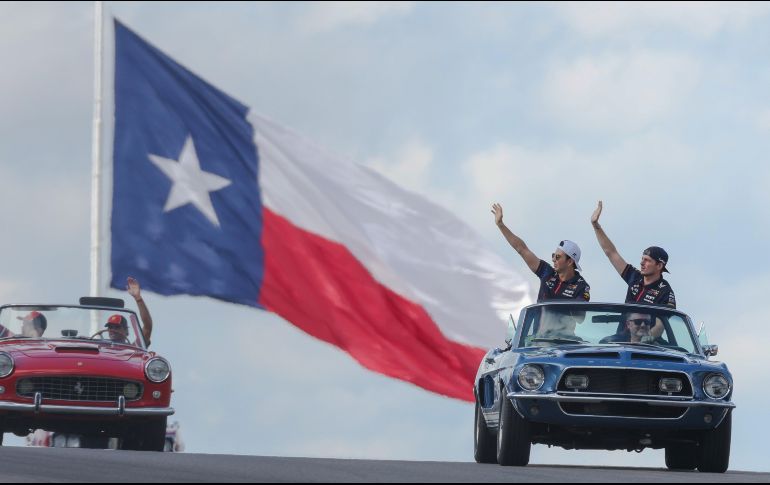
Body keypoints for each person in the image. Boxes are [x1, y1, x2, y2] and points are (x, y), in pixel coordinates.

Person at [590, 201, 675, 337]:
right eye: (642, 259)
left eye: (647, 261)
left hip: (646, 344)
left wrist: (644, 341)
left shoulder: (665, 291)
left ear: (659, 266)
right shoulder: (635, 277)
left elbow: (660, 325)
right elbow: (611, 252)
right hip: (623, 340)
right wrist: (596, 226)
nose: (642, 263)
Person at [492, 203, 590, 302]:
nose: (553, 259)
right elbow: (521, 249)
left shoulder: (581, 286)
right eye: (553, 255)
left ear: (570, 262)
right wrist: (500, 224)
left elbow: (578, 317)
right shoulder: (547, 273)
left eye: (558, 257)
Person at [600, 312, 667, 345]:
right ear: (628, 324)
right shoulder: (613, 343)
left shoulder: (662, 347)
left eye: (647, 322)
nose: (643, 325)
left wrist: (654, 345)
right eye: (638, 321)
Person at [127, 276, 154, 346]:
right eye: (110, 327)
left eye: (117, 327)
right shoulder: (100, 348)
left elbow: (147, 328)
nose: (113, 330)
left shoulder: (131, 349)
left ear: (126, 331)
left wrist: (138, 298)